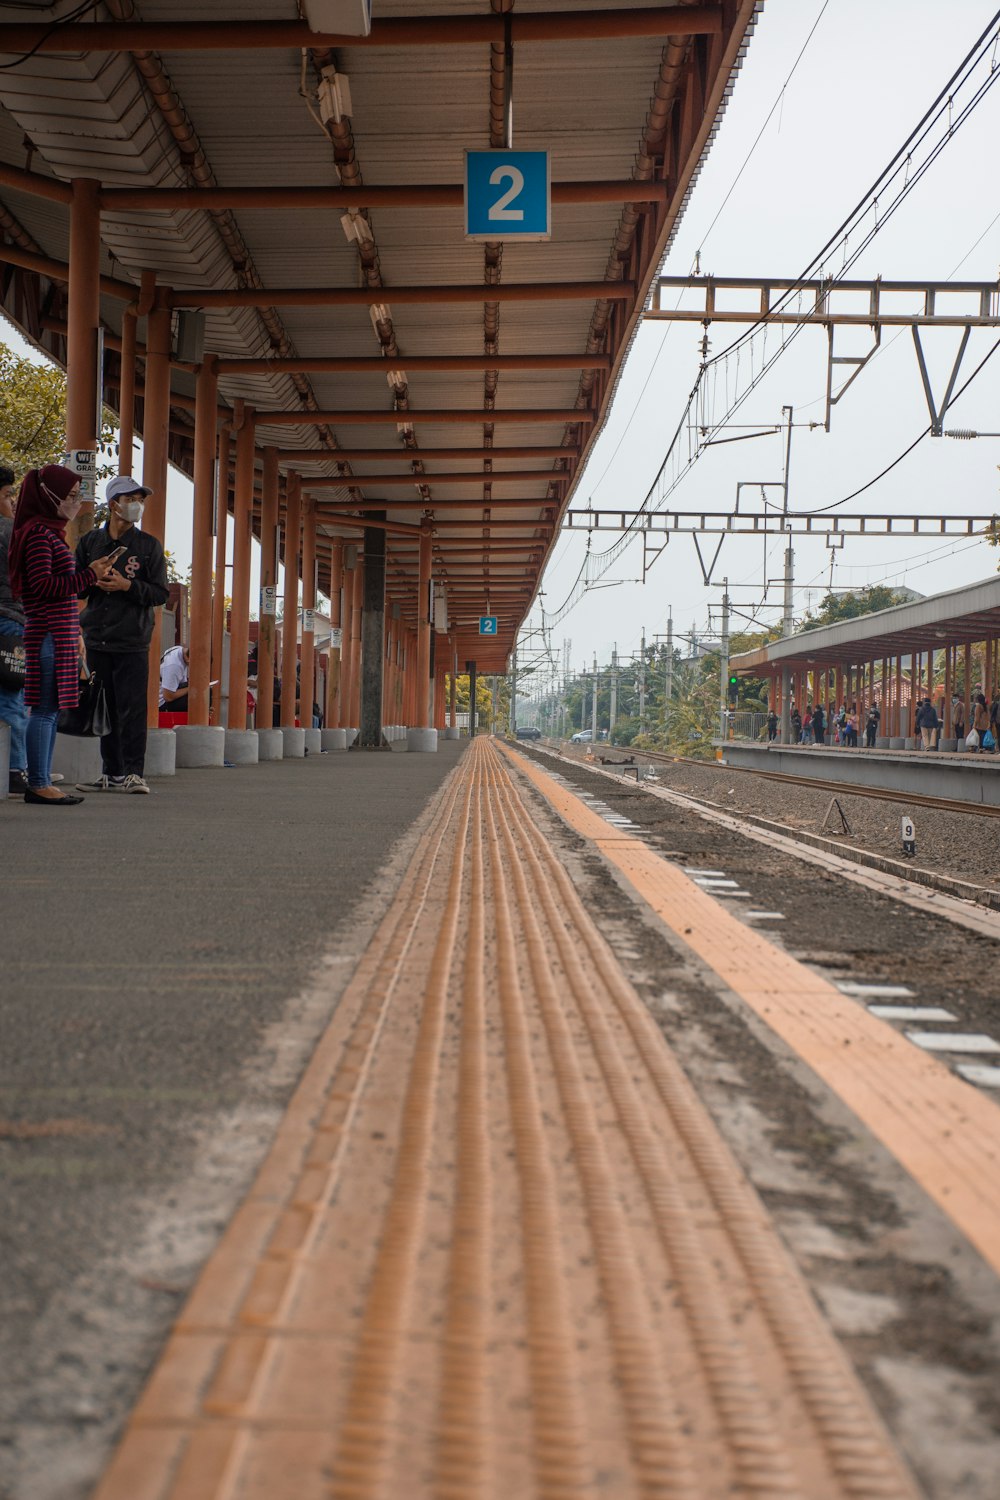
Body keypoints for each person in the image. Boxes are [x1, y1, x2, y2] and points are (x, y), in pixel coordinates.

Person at [6, 465, 114, 803]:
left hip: (56, 633)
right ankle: (38, 782)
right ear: (47, 495)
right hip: (48, 633)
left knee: (48, 709)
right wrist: (89, 576)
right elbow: (41, 586)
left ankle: (41, 780)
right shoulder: (39, 535)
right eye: (69, 496)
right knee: (44, 709)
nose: (75, 503)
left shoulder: (49, 533)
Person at [75, 475, 169, 794]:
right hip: (97, 636)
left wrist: (128, 586)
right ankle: (111, 771)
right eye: (131, 499)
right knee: (105, 706)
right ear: (114, 504)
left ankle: (133, 772)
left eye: (140, 499)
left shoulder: (148, 546)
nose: (137, 505)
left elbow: (160, 593)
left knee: (133, 707)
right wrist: (93, 576)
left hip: (133, 640)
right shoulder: (90, 543)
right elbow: (75, 586)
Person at [0, 464, 29, 794]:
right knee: (12, 696)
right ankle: (15, 768)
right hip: (10, 620)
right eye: (8, 495)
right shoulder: (10, 532)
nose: (12, 502)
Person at [159, 642, 190, 713]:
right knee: (196, 694)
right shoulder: (174, 666)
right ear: (189, 659)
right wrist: (191, 689)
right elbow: (168, 697)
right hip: (162, 702)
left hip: (168, 692)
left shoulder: (179, 649)